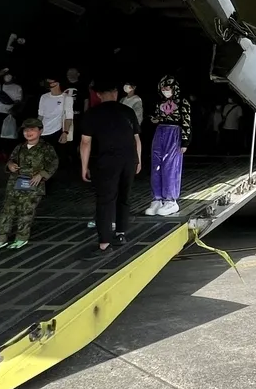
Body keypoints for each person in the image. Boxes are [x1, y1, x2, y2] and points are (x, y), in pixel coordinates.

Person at [79, 80, 142, 255]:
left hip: (106, 161)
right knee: (124, 197)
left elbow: (85, 142)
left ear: (98, 95)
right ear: (116, 93)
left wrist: (84, 166)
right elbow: (136, 138)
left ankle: (104, 244)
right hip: (129, 159)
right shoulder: (127, 111)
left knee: (105, 201)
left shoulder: (92, 113)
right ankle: (121, 234)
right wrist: (139, 160)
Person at [0, 118, 59, 251]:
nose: (28, 132)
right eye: (26, 130)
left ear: (40, 131)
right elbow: (11, 160)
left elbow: (54, 163)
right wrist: (10, 165)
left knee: (26, 212)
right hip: (15, 184)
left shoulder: (46, 148)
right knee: (7, 211)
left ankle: (21, 238)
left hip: (33, 185)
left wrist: (42, 175)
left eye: (32, 130)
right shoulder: (19, 147)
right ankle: (0, 239)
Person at [147, 76, 191, 216]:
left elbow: (186, 122)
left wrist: (185, 141)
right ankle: (157, 198)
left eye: (168, 88)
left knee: (170, 166)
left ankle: (171, 200)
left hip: (174, 133)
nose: (165, 91)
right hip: (160, 131)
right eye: (163, 88)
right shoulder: (160, 103)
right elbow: (158, 117)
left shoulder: (182, 103)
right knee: (156, 165)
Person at [36, 75, 74, 184]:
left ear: (57, 83)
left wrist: (65, 132)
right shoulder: (44, 97)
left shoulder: (67, 98)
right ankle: (43, 181)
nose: (48, 84)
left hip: (56, 131)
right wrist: (36, 130)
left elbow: (69, 117)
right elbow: (40, 115)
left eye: (50, 82)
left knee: (54, 158)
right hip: (43, 131)